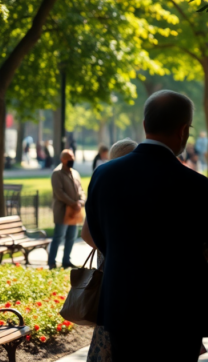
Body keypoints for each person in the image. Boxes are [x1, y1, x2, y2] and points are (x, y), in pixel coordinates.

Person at [86, 90, 208, 360]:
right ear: (183, 131)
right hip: (178, 311)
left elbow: (99, 237)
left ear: (145, 126)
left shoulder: (104, 174)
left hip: (122, 304)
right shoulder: (193, 184)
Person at [81, 138, 138, 362]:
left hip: (111, 270)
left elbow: (86, 234)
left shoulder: (104, 184)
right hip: (129, 274)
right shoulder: (142, 185)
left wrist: (109, 246)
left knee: (110, 332)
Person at [48, 149, 85, 270]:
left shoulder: (75, 173)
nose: (71, 160)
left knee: (71, 237)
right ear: (62, 159)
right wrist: (73, 203)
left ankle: (66, 260)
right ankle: (52, 262)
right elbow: (59, 193)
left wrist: (81, 201)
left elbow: (81, 190)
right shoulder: (57, 173)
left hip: (75, 212)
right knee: (59, 236)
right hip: (62, 211)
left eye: (72, 157)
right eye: (69, 158)